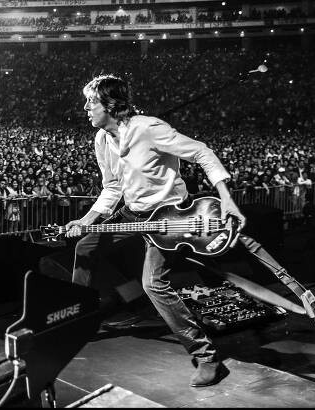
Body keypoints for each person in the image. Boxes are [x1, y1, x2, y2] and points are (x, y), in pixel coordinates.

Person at [62, 74, 246, 388]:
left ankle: (206, 356)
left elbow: (201, 151)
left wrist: (226, 198)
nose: (85, 108)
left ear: (110, 103)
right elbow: (112, 188)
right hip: (133, 212)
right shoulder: (102, 140)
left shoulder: (148, 128)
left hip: (171, 216)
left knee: (153, 284)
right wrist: (86, 220)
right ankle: (78, 322)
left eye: (91, 102)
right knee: (86, 247)